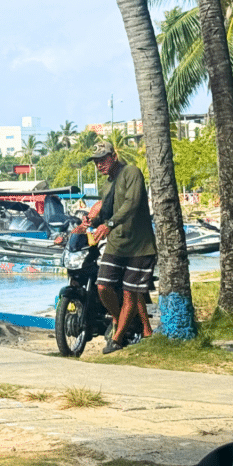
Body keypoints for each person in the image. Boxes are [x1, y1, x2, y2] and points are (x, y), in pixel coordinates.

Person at [80, 141, 157, 354]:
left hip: (139, 246)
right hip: (116, 244)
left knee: (130, 293)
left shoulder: (131, 173)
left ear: (114, 156)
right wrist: (90, 223)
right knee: (103, 287)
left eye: (103, 159)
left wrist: (109, 225)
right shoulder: (107, 184)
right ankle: (118, 318)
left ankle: (116, 339)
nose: (99, 165)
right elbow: (105, 212)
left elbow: (132, 203)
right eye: (96, 162)